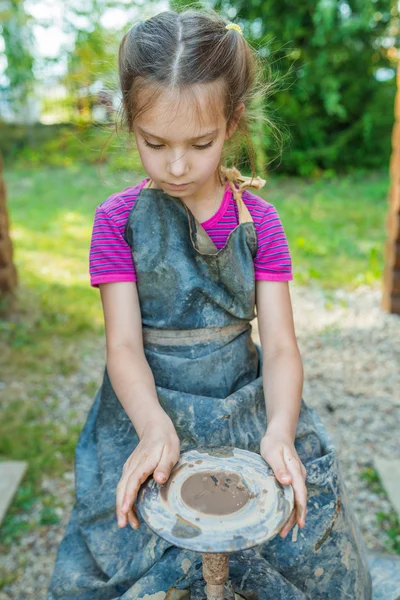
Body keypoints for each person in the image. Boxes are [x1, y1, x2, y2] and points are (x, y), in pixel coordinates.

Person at [48, 8, 372, 600]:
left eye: (199, 143)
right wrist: (152, 428)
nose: (176, 165)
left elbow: (278, 347)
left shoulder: (260, 222)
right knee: (131, 548)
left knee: (302, 541)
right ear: (131, 124)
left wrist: (279, 429)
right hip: (148, 405)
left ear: (232, 123)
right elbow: (122, 347)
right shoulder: (117, 222)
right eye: (154, 143)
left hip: (245, 407)